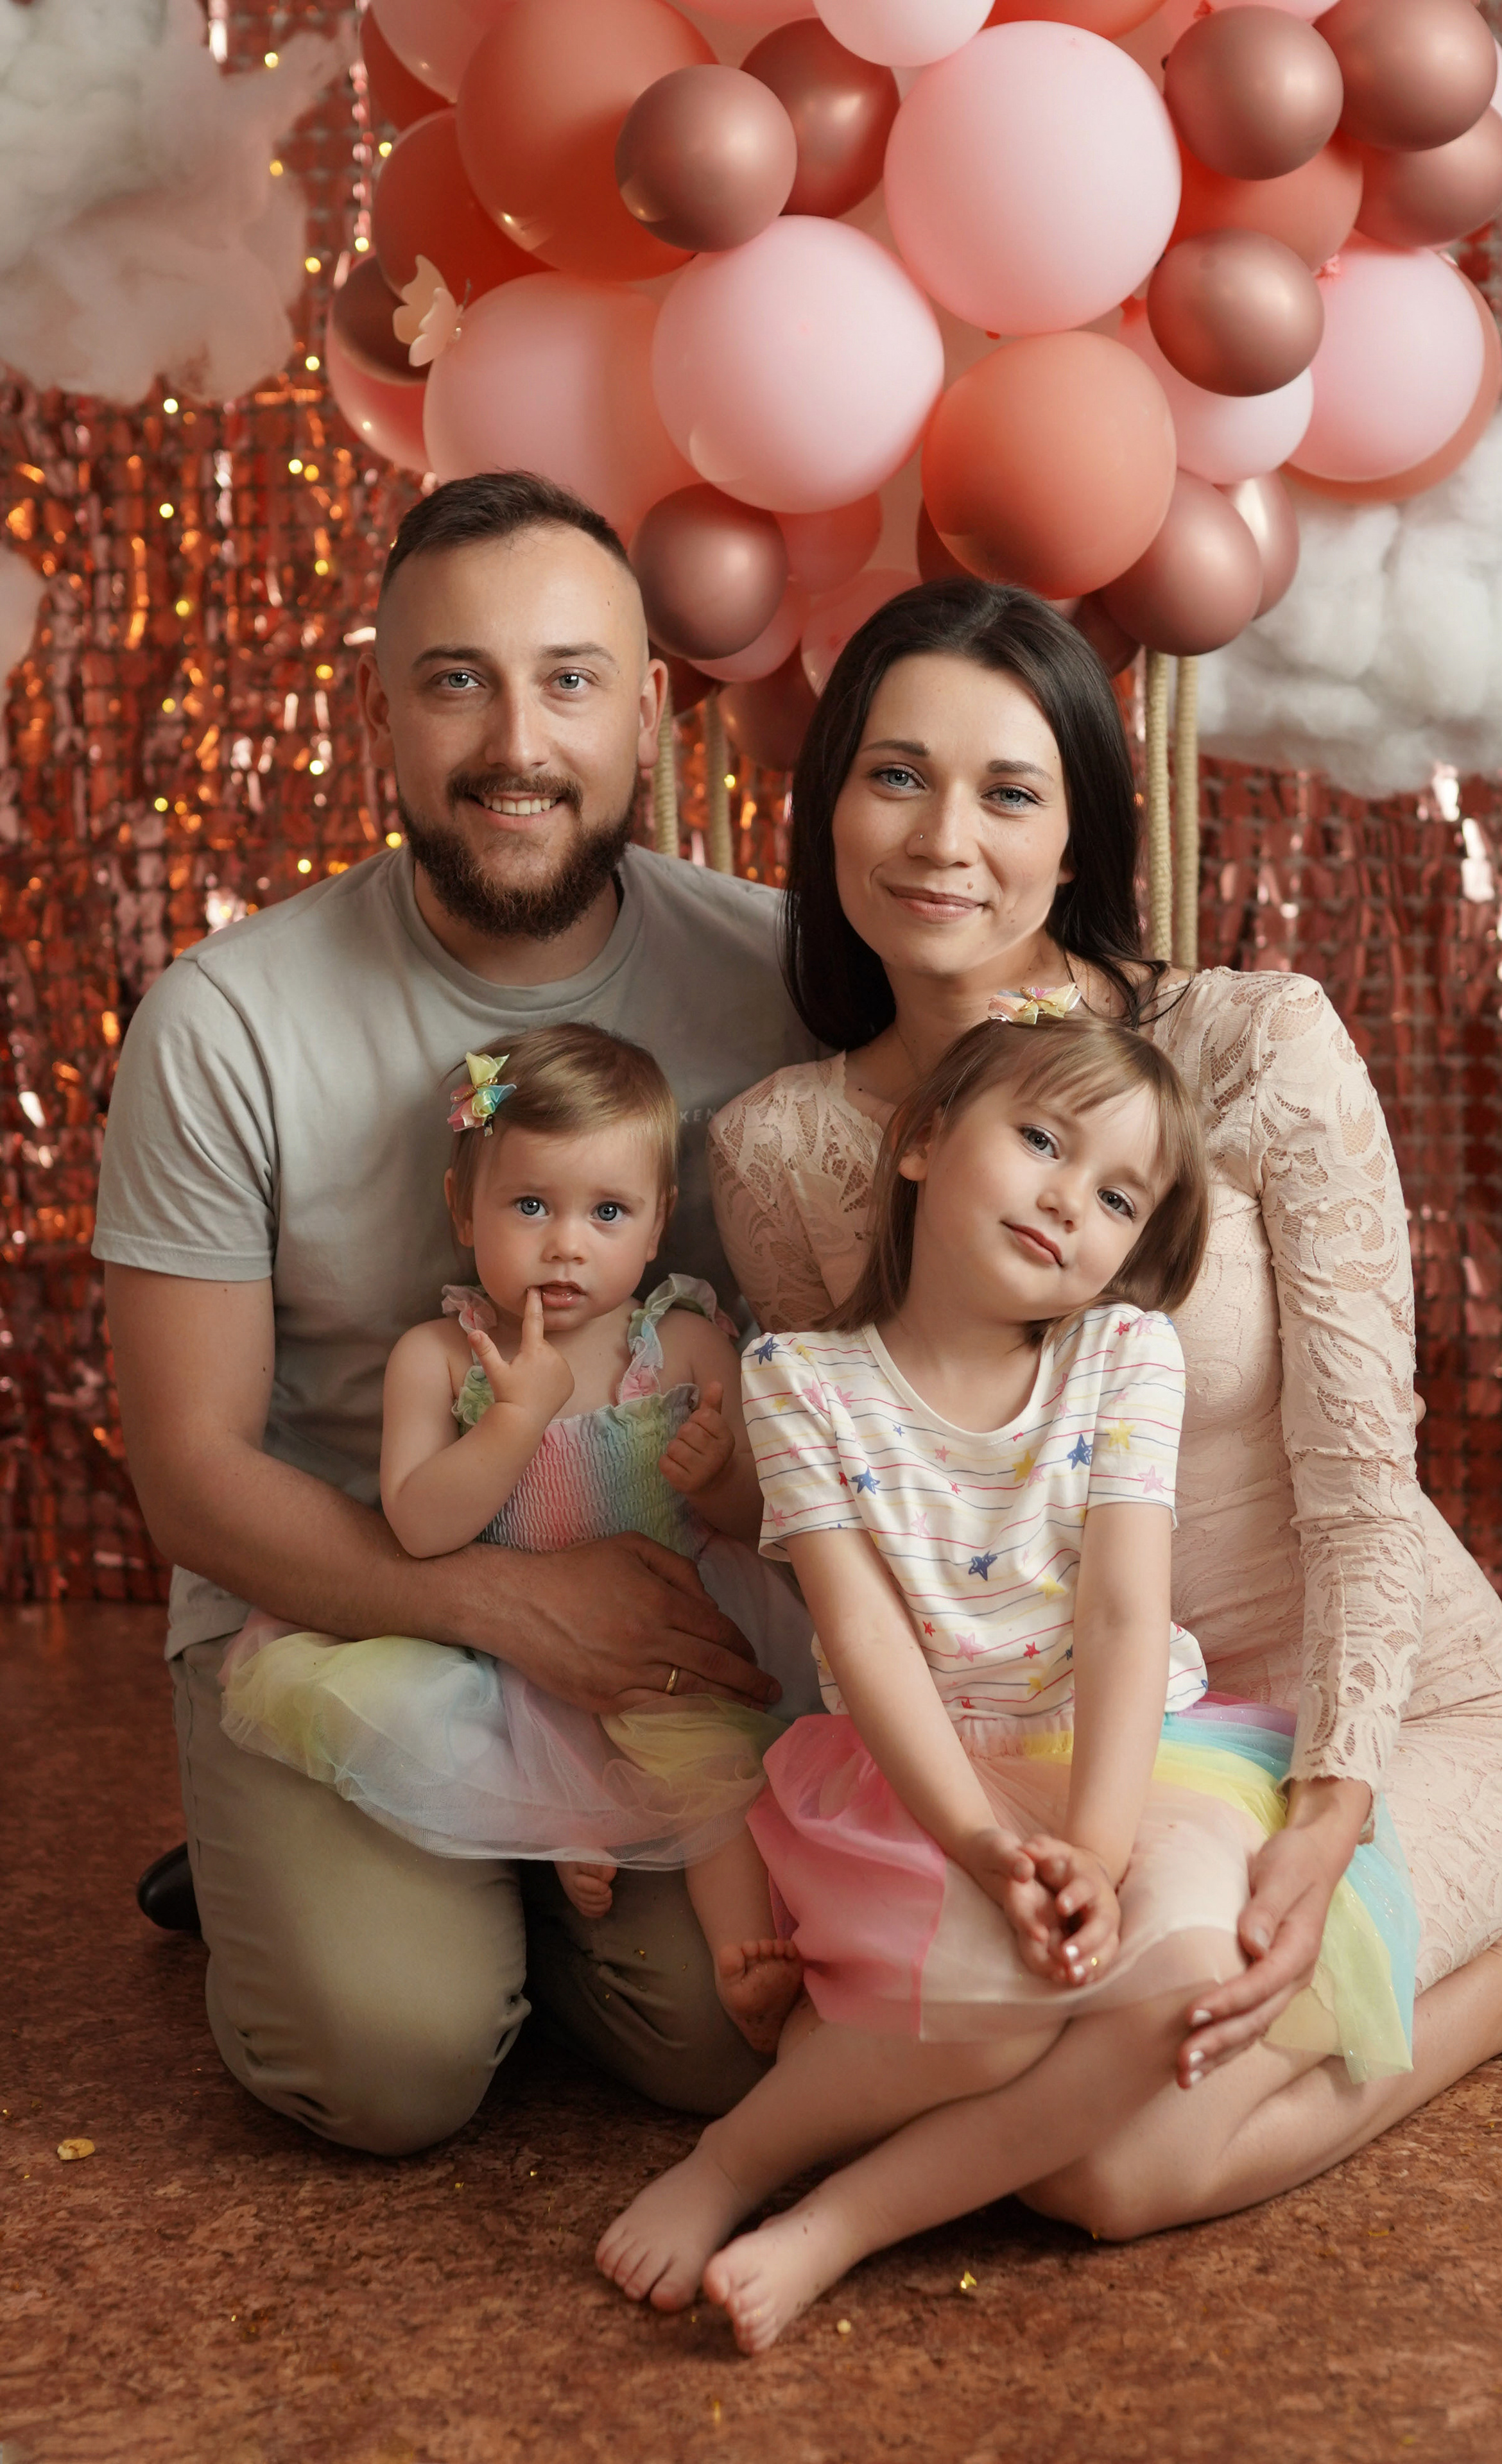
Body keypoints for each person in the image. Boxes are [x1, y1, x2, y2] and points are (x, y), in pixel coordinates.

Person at [707, 576, 1502, 2245]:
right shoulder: (781, 1155)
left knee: (1104, 2170)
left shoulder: (1253, 1050)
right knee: (1012, 2099)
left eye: (1009, 791)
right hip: (1092, 1759)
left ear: (1080, 840)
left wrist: (1332, 1812)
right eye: (894, 775)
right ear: (827, 803)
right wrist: (936, 1857)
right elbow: (880, 1543)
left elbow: (1362, 1489)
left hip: (1396, 1714)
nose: (942, 840)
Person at [93, 471, 816, 2155]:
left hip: (650, 1616)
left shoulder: (782, 977)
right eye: (456, 679)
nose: (517, 739)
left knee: (731, 2036)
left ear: (647, 711)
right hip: (333, 1611)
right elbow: (194, 1477)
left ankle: (484, 1884)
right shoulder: (226, 1024)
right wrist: (511, 1609)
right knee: (392, 2065)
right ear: (384, 715)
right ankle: (342, 1870)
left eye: (569, 679)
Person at [601, 1004, 1421, 2351]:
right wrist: (987, 1847)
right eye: (1038, 1139)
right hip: (926, 1768)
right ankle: (732, 2165)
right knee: (991, 2012)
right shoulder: (799, 1383)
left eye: (1113, 1195)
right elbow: (862, 1647)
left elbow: (1117, 1614)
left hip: (1133, 1755)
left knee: (1172, 1995)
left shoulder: (1121, 1359)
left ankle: (838, 2224)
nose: (1063, 1201)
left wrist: (1094, 1851)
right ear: (922, 1141)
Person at [218, 1023, 811, 2054]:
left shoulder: (680, 1341)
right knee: (491, 1747)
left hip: (661, 1640)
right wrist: (513, 1420)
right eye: (530, 1205)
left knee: (719, 1776)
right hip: (493, 1646)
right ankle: (556, 1849)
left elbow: (767, 1522)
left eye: (607, 1211)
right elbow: (419, 1526)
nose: (566, 1243)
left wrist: (717, 1476)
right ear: (465, 1210)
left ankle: (739, 1956)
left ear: (661, 1221)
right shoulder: (443, 1359)